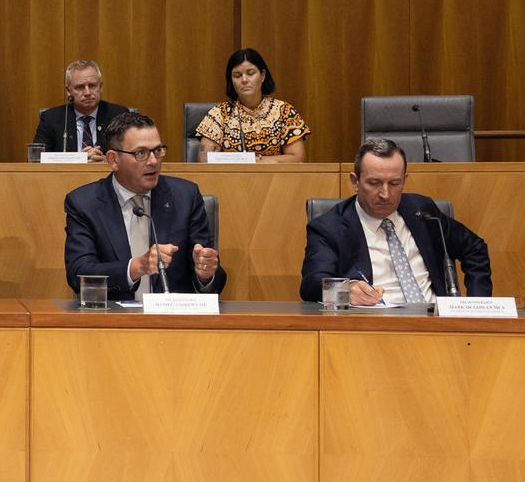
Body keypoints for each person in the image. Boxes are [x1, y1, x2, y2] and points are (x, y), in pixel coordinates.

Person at [300, 138, 491, 305]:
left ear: (404, 180)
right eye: (374, 183)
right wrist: (346, 290)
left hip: (437, 323)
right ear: (355, 181)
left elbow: (474, 248)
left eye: (394, 183)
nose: (385, 194)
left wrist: (477, 305)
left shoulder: (422, 211)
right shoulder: (329, 227)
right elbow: (311, 284)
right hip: (374, 329)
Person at [65, 111, 226, 300]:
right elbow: (79, 274)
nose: (153, 161)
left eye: (157, 150)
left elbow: (213, 278)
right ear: (113, 160)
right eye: (140, 153)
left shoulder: (185, 196)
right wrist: (138, 266)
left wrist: (205, 274)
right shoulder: (84, 203)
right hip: (113, 323)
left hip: (172, 323)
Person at [196, 48, 309, 163]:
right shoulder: (220, 113)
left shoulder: (284, 111)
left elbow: (297, 158)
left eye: (250, 73)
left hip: (275, 178)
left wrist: (259, 162)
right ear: (231, 80)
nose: (244, 80)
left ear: (263, 75)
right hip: (232, 179)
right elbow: (205, 159)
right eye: (237, 75)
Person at [33, 59, 130, 162]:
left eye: (92, 86)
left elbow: (133, 156)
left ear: (100, 87)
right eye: (80, 87)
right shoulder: (51, 118)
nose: (87, 92)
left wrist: (108, 161)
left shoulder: (119, 116)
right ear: (68, 91)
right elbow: (37, 160)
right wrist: (79, 159)